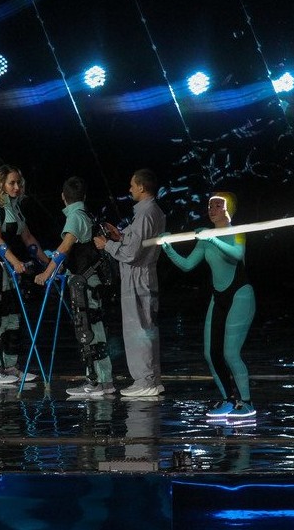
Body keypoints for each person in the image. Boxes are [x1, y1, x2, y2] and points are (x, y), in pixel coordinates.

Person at [161, 192, 257, 419]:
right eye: (210, 205)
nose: (212, 209)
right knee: (210, 353)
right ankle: (228, 400)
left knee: (230, 353)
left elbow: (237, 254)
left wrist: (213, 239)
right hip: (218, 297)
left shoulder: (237, 232)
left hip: (240, 295)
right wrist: (168, 248)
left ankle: (247, 403)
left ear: (229, 208)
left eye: (218, 205)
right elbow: (187, 265)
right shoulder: (205, 238)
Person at [34, 176, 115, 397]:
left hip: (85, 283)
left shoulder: (76, 217)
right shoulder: (86, 214)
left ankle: (95, 381)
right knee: (95, 329)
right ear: (84, 196)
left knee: (87, 329)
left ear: (63, 196)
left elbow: (65, 247)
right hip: (90, 281)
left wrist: (46, 273)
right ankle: (104, 381)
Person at [93, 169, 166, 397]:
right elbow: (137, 241)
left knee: (138, 330)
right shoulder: (150, 212)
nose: (130, 189)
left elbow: (133, 253)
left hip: (138, 277)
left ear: (142, 187)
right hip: (142, 276)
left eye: (133, 185)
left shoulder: (146, 213)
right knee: (146, 329)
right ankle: (151, 379)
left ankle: (145, 380)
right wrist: (120, 236)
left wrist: (107, 245)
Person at [0, 165, 49, 385]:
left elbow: (28, 238)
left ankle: (10, 366)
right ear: (1, 183)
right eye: (12, 183)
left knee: (13, 318)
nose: (16, 187)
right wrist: (15, 261)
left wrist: (48, 263)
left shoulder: (15, 206)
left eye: (18, 183)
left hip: (12, 271)